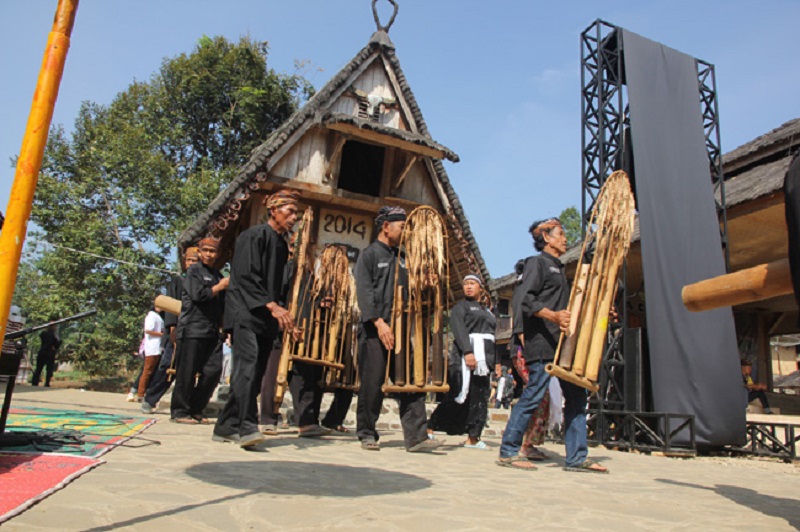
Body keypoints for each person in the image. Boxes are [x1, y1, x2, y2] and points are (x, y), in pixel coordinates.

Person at [497, 217, 608, 473]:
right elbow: (525, 301)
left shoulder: (559, 269)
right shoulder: (537, 264)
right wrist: (554, 316)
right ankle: (508, 451)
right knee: (533, 395)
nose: (565, 238)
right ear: (546, 237)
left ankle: (577, 457)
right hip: (542, 342)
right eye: (560, 233)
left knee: (577, 398)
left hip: (563, 344)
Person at [213, 189, 299, 448]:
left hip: (266, 318)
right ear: (274, 210)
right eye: (290, 211)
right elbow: (246, 276)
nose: (294, 217)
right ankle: (247, 426)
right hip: (246, 313)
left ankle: (226, 426)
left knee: (256, 372)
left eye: (297, 212)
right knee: (247, 370)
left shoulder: (282, 246)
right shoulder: (252, 237)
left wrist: (285, 317)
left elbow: (280, 286)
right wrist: (271, 305)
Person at [354, 206, 443, 452]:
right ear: (386, 227)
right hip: (375, 330)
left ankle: (416, 436)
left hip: (401, 330)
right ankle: (366, 432)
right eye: (402, 227)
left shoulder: (404, 257)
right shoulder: (369, 255)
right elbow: (364, 292)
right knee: (372, 383)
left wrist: (425, 283)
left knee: (410, 381)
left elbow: (413, 289)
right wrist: (379, 323)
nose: (406, 232)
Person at [427, 274, 495, 449]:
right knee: (458, 394)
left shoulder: (487, 311)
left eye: (472, 284)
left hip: (483, 360)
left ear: (480, 288)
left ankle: (473, 437)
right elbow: (459, 330)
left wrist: (493, 361)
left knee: (480, 397)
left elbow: (491, 337)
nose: (469, 287)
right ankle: (430, 425)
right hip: (465, 357)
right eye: (466, 284)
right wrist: (468, 352)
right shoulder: (461, 307)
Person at [170, 237, 228, 424]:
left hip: (212, 331)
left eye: (213, 251)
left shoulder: (218, 275)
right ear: (200, 252)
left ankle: (196, 408)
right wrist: (219, 287)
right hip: (192, 328)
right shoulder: (193, 272)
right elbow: (198, 295)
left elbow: (222, 305)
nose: (210, 255)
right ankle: (180, 411)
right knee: (187, 372)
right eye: (207, 251)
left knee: (213, 371)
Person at [143, 246, 200, 414]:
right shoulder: (177, 281)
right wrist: (172, 328)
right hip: (177, 329)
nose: (191, 264)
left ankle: (187, 405)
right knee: (168, 365)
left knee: (190, 370)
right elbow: (170, 305)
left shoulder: (203, 282)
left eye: (194, 261)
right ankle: (150, 399)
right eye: (189, 260)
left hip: (196, 330)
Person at [136, 305, 164, 400]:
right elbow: (148, 330)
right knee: (147, 371)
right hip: (152, 347)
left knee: (152, 371)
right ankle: (140, 393)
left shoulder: (158, 316)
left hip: (158, 347)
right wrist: (163, 334)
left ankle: (145, 391)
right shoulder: (151, 316)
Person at [31, 323, 61, 387]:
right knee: (49, 369)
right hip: (50, 353)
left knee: (38, 368)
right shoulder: (54, 335)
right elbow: (57, 344)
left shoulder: (43, 333)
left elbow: (42, 337)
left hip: (42, 352)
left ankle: (34, 382)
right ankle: (47, 383)